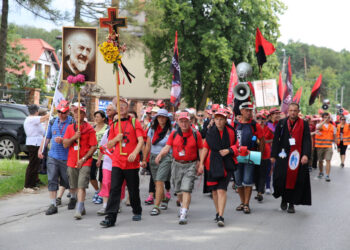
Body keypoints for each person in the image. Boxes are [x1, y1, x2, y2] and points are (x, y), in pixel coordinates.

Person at [100, 97, 144, 228]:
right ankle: (110, 217)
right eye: (118, 106)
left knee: (133, 189)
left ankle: (137, 210)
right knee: (114, 189)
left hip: (131, 162)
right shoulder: (114, 125)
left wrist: (135, 153)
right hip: (117, 162)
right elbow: (109, 145)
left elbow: (141, 140)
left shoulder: (135, 122)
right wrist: (116, 139)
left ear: (127, 106)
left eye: (123, 105)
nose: (121, 107)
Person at [155, 112, 203, 225]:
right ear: (177, 122)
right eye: (181, 121)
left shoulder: (196, 134)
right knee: (178, 190)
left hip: (190, 165)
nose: (184, 123)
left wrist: (201, 164)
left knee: (186, 188)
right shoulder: (174, 134)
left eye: (186, 121)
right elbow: (167, 147)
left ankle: (184, 213)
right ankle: (182, 205)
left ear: (190, 121)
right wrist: (160, 155)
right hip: (176, 164)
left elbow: (201, 149)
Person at [198, 108, 239, 227]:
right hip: (211, 163)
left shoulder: (231, 132)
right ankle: (217, 212)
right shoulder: (210, 131)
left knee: (221, 190)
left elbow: (237, 146)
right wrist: (201, 164)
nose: (219, 121)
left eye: (221, 119)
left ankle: (221, 215)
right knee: (214, 191)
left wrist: (229, 150)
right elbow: (205, 148)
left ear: (225, 120)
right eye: (217, 119)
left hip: (226, 163)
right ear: (214, 120)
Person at [271, 102, 312, 213]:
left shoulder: (304, 124)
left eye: (295, 110)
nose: (293, 112)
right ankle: (284, 199)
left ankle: (291, 203)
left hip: (297, 156)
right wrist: (273, 155)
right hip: (283, 156)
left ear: (298, 112)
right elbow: (275, 140)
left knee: (295, 180)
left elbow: (307, 140)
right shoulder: (281, 123)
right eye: (291, 110)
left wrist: (306, 155)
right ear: (288, 111)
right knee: (281, 178)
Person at [38, 100, 73, 215]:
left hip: (67, 157)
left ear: (68, 112)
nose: (61, 114)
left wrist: (64, 140)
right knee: (52, 179)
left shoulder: (72, 123)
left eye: (64, 112)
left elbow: (76, 140)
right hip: (53, 156)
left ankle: (73, 197)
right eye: (59, 112)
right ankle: (53, 204)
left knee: (68, 181)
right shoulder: (52, 122)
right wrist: (41, 149)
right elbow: (46, 137)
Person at [63, 104, 97, 219]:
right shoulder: (69, 128)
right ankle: (81, 206)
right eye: (75, 112)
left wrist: (83, 159)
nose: (77, 114)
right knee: (74, 186)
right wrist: (74, 137)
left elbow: (93, 146)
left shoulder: (90, 129)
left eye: (80, 112)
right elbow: (65, 144)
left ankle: (78, 208)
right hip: (72, 160)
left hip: (85, 161)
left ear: (84, 114)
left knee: (81, 185)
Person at [142, 109, 173, 216]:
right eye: (159, 117)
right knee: (156, 182)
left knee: (159, 181)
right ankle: (164, 198)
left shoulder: (171, 130)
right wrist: (144, 159)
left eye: (163, 117)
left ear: (167, 118)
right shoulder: (152, 129)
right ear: (156, 118)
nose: (161, 119)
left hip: (166, 157)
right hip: (153, 157)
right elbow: (148, 145)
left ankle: (156, 206)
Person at [234, 102, 260, 214]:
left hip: (251, 156)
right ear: (241, 111)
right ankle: (242, 201)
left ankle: (246, 204)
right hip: (236, 156)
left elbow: (262, 140)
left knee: (248, 180)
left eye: (251, 110)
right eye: (247, 110)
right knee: (238, 181)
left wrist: (261, 154)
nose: (249, 112)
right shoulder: (234, 124)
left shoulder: (255, 125)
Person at [23, 104, 49, 193]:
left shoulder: (35, 120)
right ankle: (27, 185)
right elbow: (44, 117)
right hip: (33, 144)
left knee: (36, 165)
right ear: (36, 111)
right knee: (32, 165)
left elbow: (43, 131)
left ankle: (33, 184)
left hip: (37, 143)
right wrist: (52, 111)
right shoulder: (31, 119)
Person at [254, 112, 274, 202]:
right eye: (258, 118)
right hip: (255, 154)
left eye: (263, 119)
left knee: (262, 174)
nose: (261, 121)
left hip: (265, 154)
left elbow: (273, 139)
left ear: (266, 120)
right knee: (256, 174)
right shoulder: (253, 128)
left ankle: (260, 193)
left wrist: (265, 142)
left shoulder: (268, 129)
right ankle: (259, 189)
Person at [91, 110, 108, 204]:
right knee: (91, 175)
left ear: (103, 118)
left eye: (98, 117)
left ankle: (102, 194)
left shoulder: (107, 128)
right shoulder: (92, 128)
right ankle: (97, 190)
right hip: (93, 155)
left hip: (104, 156)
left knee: (102, 177)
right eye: (95, 117)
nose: (96, 118)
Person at [315, 112, 336, 182]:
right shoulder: (319, 124)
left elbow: (335, 136)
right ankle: (321, 172)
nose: (327, 119)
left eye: (328, 117)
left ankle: (327, 175)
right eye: (325, 117)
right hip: (320, 146)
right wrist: (324, 121)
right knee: (320, 161)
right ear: (323, 118)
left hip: (328, 147)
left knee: (328, 160)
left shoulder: (333, 127)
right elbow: (318, 127)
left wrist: (337, 145)